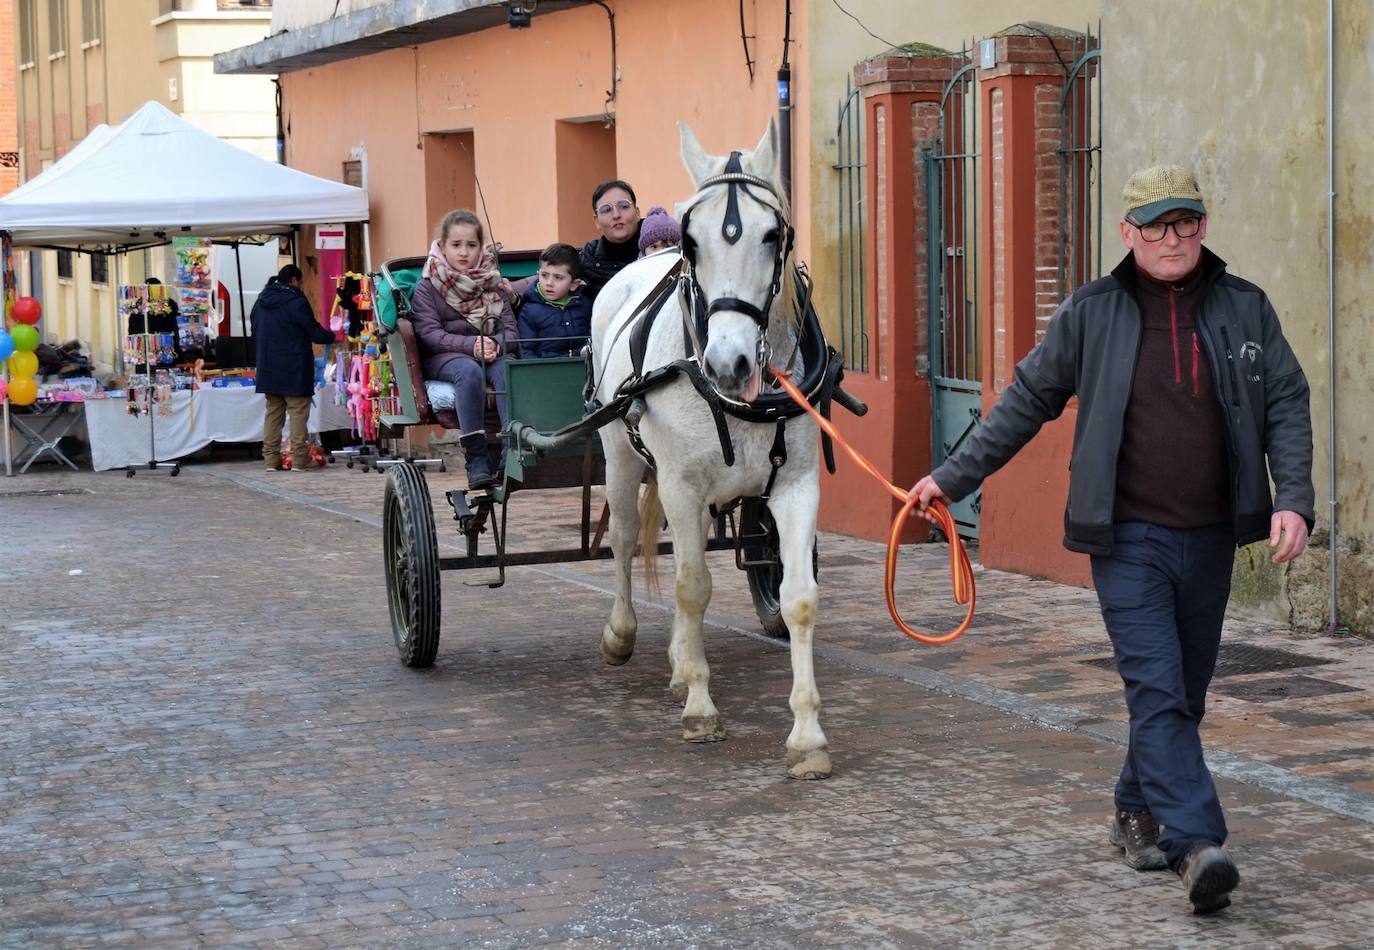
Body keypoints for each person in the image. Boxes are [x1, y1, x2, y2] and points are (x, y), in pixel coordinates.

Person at [909, 165, 1314, 915]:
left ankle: (1134, 804)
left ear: (1203, 225)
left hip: (1212, 536)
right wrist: (952, 477)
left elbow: (1286, 398)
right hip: (1126, 538)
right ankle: (1196, 846)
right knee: (1157, 691)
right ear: (1128, 233)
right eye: (1156, 225)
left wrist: (1294, 498)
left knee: (1180, 696)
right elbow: (1026, 400)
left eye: (1186, 222)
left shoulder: (1244, 308)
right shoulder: (1092, 313)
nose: (1173, 239)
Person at [412, 208, 517, 489]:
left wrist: (494, 343)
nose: (464, 252)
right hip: (443, 358)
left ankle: (512, 451)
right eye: (456, 245)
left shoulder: (491, 283)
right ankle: (476, 457)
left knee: (509, 368)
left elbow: (510, 331)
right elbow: (429, 334)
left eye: (471, 245)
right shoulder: (427, 287)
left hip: (489, 351)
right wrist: (472, 345)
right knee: (468, 371)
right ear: (442, 246)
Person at [251, 264, 335, 471]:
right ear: (295, 281)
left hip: (268, 366)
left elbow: (254, 329)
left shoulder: (261, 301)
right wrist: (330, 336)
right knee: (297, 411)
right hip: (294, 365)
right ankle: (299, 459)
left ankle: (270, 459)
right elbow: (312, 330)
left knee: (273, 412)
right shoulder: (296, 301)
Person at [518, 243, 592, 358]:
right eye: (544, 275)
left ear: (574, 284)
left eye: (558, 278)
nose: (549, 283)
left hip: (583, 367)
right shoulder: (529, 310)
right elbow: (525, 350)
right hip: (546, 370)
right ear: (538, 275)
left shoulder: (584, 304)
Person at [579, 179, 643, 300]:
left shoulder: (659, 246)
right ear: (596, 221)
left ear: (637, 212)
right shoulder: (588, 258)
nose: (616, 215)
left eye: (624, 206)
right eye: (606, 210)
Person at [126, 277, 184, 372]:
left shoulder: (138, 306)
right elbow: (176, 329)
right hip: (165, 352)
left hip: (148, 354)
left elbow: (132, 331)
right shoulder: (169, 304)